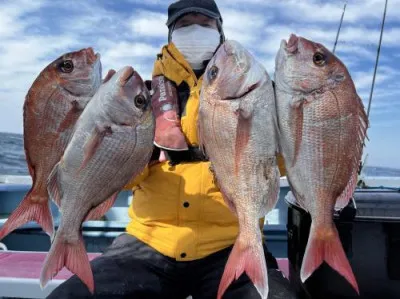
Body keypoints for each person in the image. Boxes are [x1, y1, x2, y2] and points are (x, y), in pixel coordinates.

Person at [46, 1, 296, 298]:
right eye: (184, 24)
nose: (195, 30)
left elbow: (277, 164)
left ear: (219, 31)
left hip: (231, 241)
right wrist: (128, 147)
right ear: (171, 35)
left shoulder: (256, 92)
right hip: (147, 243)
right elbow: (123, 180)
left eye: (204, 23)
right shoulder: (141, 98)